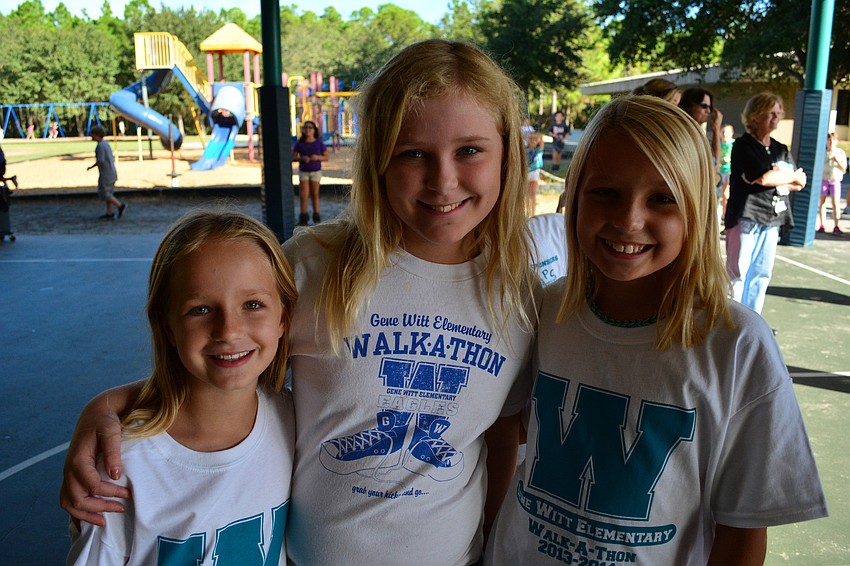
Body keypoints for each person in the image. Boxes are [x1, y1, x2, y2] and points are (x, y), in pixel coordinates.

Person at [60, 39, 540, 565]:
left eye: (469, 151)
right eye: (413, 154)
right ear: (377, 160)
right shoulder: (313, 266)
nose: (442, 179)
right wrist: (106, 408)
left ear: (506, 155)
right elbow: (225, 359)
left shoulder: (516, 291)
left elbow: (499, 437)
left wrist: (491, 545)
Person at [485, 94, 828, 565]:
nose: (629, 220)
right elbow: (511, 428)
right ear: (575, 196)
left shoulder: (736, 344)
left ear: (697, 208)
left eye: (662, 199)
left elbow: (743, 529)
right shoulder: (546, 308)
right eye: (605, 192)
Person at [66, 209, 298, 564]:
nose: (229, 331)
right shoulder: (121, 464)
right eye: (201, 310)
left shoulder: (293, 419)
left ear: (283, 316)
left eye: (253, 305)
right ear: (167, 326)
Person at [724, 92, 805, 315]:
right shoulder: (744, 145)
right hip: (746, 217)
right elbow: (763, 178)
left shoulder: (780, 148)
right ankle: (731, 320)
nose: (776, 117)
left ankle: (752, 321)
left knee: (761, 274)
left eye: (779, 113)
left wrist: (779, 175)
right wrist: (779, 176)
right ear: (756, 115)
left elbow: (798, 182)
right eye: (771, 113)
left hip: (772, 220)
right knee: (737, 272)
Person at [292, 120, 328, 226]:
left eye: (310, 127)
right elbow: (293, 157)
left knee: (315, 194)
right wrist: (301, 158)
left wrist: (317, 157)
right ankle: (303, 217)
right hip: (304, 171)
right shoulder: (299, 143)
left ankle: (316, 216)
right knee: (303, 194)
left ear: (314, 130)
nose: (308, 129)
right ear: (303, 130)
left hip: (316, 171)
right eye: (306, 127)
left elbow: (326, 156)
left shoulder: (319, 143)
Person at [87, 126, 127, 220]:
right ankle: (109, 212)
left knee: (105, 193)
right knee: (109, 192)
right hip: (111, 172)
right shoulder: (105, 144)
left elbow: (100, 160)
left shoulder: (100, 146)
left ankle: (120, 206)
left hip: (106, 173)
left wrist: (91, 167)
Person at [679, 86, 723, 166]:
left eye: (710, 107)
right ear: (690, 105)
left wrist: (716, 129)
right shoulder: (682, 132)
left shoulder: (696, 132)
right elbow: (714, 165)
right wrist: (716, 129)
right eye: (704, 106)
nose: (708, 111)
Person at [818, 132, 846, 235]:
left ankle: (836, 225)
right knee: (822, 202)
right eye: (829, 140)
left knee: (835, 203)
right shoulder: (823, 153)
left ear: (836, 141)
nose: (831, 142)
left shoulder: (840, 153)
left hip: (835, 180)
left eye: (833, 140)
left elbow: (844, 169)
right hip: (824, 179)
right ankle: (822, 224)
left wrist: (837, 161)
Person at [525, 118, 545, 215]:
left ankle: (532, 213)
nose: (533, 141)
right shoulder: (525, 151)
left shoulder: (538, 150)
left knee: (532, 195)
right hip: (526, 173)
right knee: (524, 196)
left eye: (534, 140)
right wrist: (529, 136)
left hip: (534, 173)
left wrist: (532, 136)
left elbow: (541, 137)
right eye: (531, 140)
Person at [717, 123, 735, 223]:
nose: (725, 135)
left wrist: (729, 159)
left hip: (729, 171)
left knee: (726, 195)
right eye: (723, 132)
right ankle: (722, 216)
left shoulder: (734, 144)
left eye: (727, 132)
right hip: (720, 172)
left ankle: (726, 215)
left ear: (731, 134)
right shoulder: (719, 145)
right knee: (721, 195)